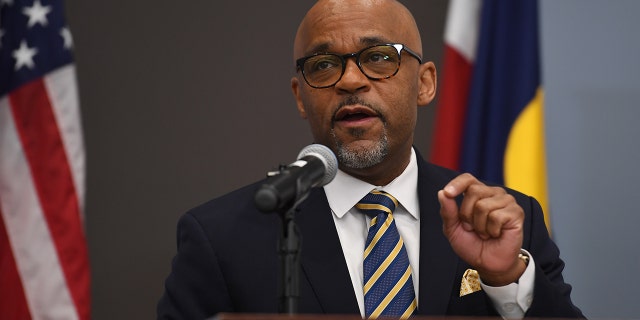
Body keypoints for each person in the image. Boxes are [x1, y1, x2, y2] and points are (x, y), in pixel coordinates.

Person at [157, 0, 583, 319]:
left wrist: (507, 279)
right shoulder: (222, 237)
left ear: (426, 83)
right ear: (300, 97)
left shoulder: (506, 220)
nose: (351, 80)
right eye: (323, 65)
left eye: (379, 57)